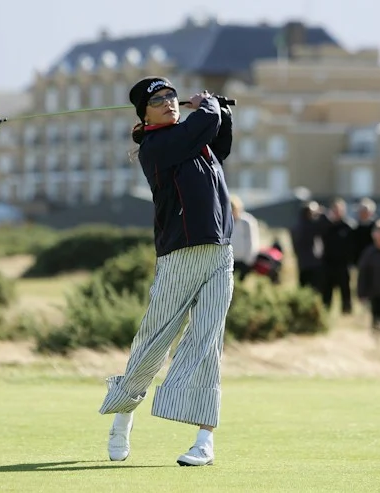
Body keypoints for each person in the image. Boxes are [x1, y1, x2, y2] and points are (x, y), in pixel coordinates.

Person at [98, 76, 235, 467]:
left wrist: (219, 109)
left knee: (208, 342)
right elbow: (204, 125)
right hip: (179, 256)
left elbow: (220, 140)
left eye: (172, 96)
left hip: (220, 253)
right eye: (157, 100)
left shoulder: (195, 140)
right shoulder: (156, 147)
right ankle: (123, 414)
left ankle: (204, 441)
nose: (169, 102)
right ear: (144, 115)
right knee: (154, 343)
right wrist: (207, 105)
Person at [321, 198, 355, 314]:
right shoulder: (327, 226)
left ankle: (347, 313)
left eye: (339, 210)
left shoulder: (348, 227)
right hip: (328, 264)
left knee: (345, 291)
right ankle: (325, 313)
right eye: (334, 210)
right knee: (327, 292)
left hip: (343, 265)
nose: (336, 212)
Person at [290, 201, 326, 294]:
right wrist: (321, 213)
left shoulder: (296, 227)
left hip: (302, 264)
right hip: (313, 265)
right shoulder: (311, 226)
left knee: (304, 291)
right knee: (315, 291)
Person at [230, 195, 260, 281]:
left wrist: (249, 260)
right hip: (231, 259)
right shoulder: (227, 221)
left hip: (244, 260)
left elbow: (252, 240)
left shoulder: (247, 221)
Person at [351, 197, 378, 266]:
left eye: (365, 211)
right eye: (361, 211)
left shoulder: (376, 227)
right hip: (359, 261)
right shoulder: (355, 227)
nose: (362, 213)